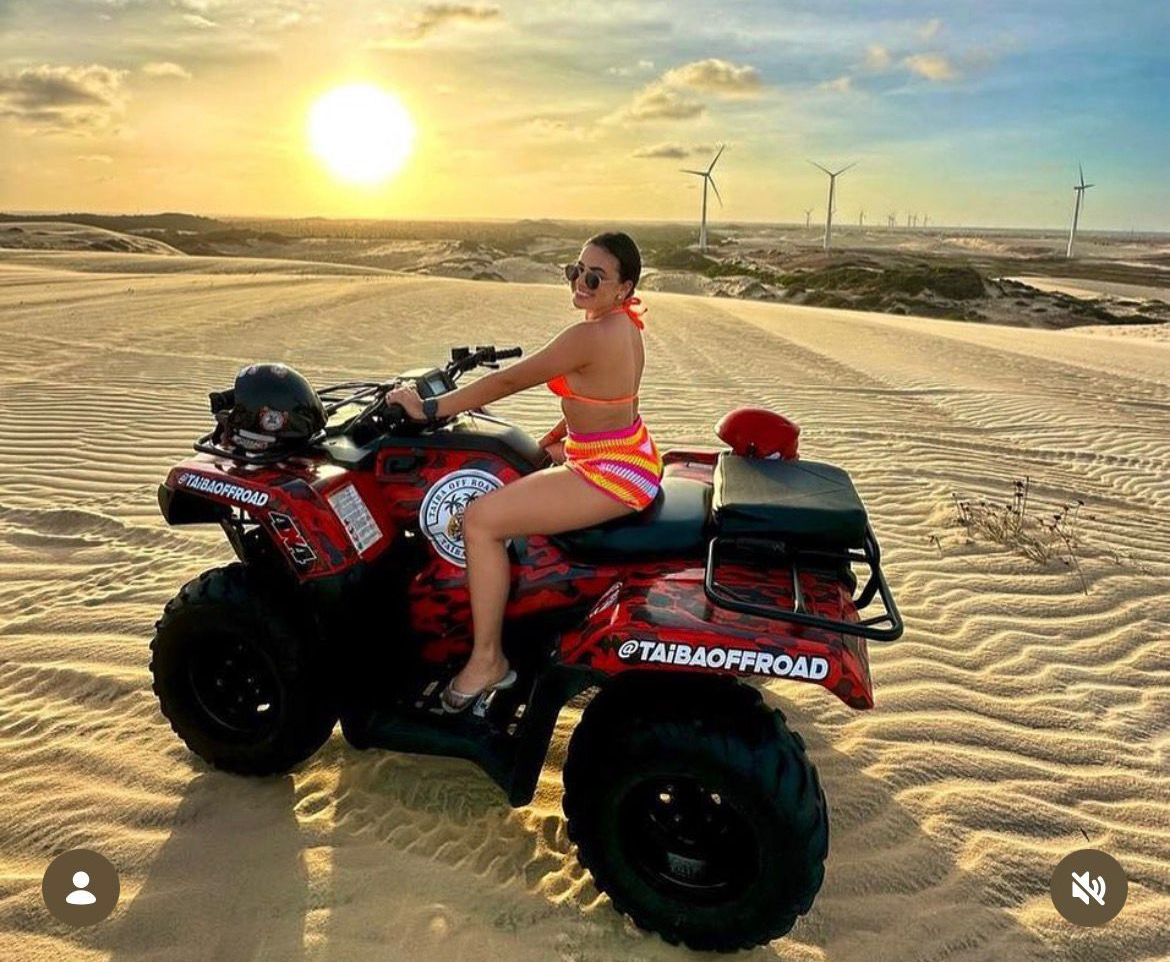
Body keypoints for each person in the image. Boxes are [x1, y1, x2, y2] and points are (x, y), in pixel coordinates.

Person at [382, 231, 663, 712]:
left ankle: (488, 659)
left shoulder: (590, 335)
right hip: (627, 455)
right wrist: (560, 438)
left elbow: (509, 379)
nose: (581, 281)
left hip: (608, 473)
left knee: (480, 521)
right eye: (575, 270)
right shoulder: (624, 327)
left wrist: (428, 408)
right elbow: (606, 402)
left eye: (595, 276)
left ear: (624, 288)